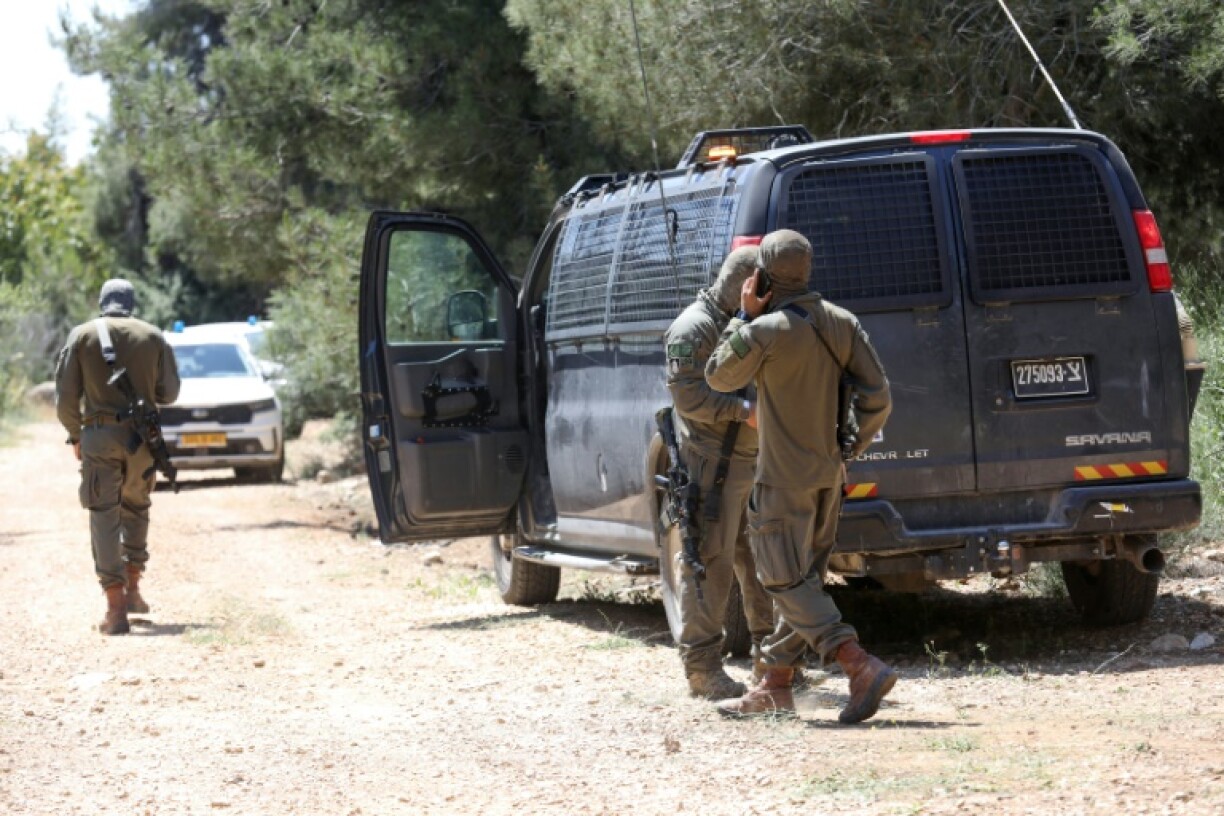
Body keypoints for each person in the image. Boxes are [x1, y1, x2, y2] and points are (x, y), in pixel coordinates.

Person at [705, 230, 895, 724]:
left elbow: (717, 376)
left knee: (782, 579)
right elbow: (879, 397)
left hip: (781, 480)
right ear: (809, 269)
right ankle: (775, 685)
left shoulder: (764, 329)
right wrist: (852, 445)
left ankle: (857, 663)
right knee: (804, 582)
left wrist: (744, 314)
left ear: (763, 276)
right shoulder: (843, 323)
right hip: (829, 476)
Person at [663, 247, 777, 699]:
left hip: (752, 462)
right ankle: (703, 667)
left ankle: (773, 660)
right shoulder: (694, 327)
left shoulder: (753, 322)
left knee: (766, 563)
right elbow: (689, 398)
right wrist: (743, 411)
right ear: (747, 286)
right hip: (711, 464)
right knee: (710, 563)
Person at [55, 279, 181, 635]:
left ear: (102, 302)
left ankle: (115, 609)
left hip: (99, 436)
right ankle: (135, 589)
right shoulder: (152, 335)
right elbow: (169, 392)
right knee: (137, 507)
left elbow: (65, 397)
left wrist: (76, 434)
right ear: (131, 303)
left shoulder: (81, 336)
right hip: (143, 438)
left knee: (103, 514)